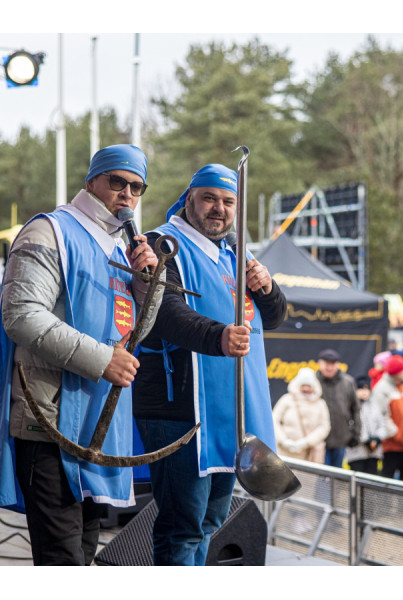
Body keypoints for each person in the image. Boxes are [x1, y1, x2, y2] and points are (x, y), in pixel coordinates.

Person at [0, 145, 162, 565]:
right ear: (91, 181)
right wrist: (103, 360)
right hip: (49, 424)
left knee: (82, 554)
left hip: (98, 426)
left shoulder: (124, 247)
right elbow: (22, 317)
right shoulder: (49, 231)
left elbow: (134, 335)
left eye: (137, 187)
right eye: (117, 181)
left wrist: (146, 286)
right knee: (63, 560)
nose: (127, 194)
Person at [133, 162, 287, 566]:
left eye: (228, 202)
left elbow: (273, 318)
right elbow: (162, 311)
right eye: (209, 199)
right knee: (182, 528)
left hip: (231, 413)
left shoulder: (235, 253)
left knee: (210, 522)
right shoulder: (161, 243)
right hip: (181, 410)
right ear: (189, 200)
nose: (219, 209)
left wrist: (266, 289)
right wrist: (217, 336)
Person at [272, 367, 331, 463]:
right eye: (303, 385)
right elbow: (274, 420)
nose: (306, 388)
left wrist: (306, 442)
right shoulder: (287, 399)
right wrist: (283, 441)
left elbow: (324, 427)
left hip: (309, 456)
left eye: (309, 385)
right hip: (284, 453)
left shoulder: (320, 404)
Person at [372, 354, 403, 481]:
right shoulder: (382, 389)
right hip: (391, 446)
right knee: (387, 481)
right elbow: (381, 415)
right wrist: (396, 434)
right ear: (396, 372)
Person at [316, 348, 361, 468]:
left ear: (338, 365)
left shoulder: (348, 382)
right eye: (326, 364)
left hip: (341, 438)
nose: (329, 368)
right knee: (320, 477)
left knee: (337, 477)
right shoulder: (313, 382)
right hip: (318, 440)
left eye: (333, 364)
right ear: (320, 364)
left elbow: (355, 409)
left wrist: (356, 434)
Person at [345, 376, 386, 475]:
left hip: (373, 452)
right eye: (361, 389)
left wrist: (377, 438)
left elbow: (381, 425)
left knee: (371, 484)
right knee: (357, 482)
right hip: (356, 453)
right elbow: (350, 426)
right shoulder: (350, 406)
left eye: (366, 389)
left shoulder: (374, 405)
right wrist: (366, 440)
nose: (364, 392)